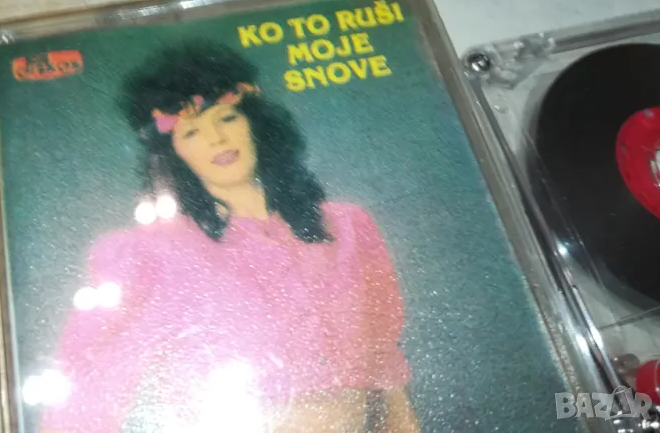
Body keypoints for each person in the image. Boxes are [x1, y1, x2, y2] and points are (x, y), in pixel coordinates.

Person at [39, 41, 419, 433]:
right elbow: (84, 385)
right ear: (172, 152)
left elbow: (383, 365)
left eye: (226, 118)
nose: (217, 139)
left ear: (254, 122)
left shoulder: (348, 226)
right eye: (192, 131)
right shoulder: (149, 253)